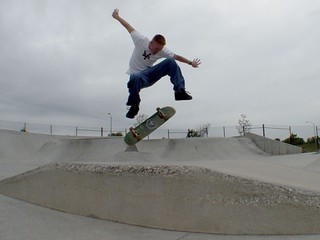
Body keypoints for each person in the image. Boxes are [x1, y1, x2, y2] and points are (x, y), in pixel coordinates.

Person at [112, 8, 201, 119]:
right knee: (134, 77)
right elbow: (128, 26)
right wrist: (117, 16)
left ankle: (179, 91)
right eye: (156, 48)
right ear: (151, 42)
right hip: (136, 78)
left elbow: (176, 57)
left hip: (149, 75)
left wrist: (190, 62)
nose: (157, 51)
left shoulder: (163, 50)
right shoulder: (140, 39)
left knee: (170, 61)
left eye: (160, 50)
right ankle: (134, 106)